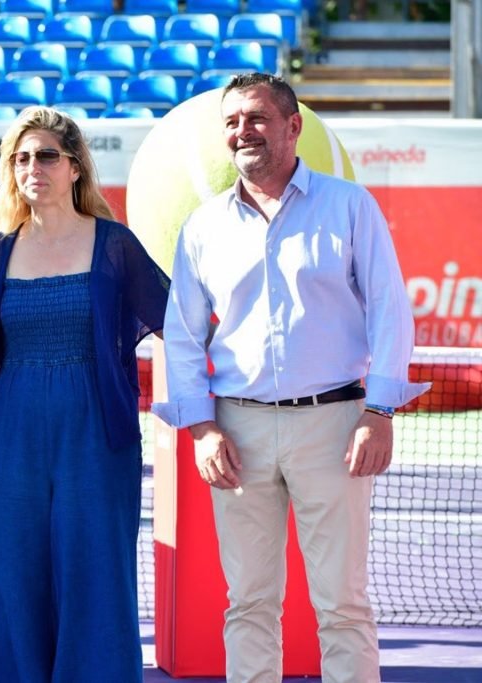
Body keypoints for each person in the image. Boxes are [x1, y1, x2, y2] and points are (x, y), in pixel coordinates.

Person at [152, 73, 429, 683]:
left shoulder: (350, 206)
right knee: (248, 603)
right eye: (232, 122)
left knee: (343, 605)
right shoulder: (202, 227)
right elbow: (183, 335)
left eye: (256, 118)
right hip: (237, 430)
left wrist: (378, 413)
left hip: (336, 428)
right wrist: (200, 428)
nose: (242, 132)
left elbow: (389, 309)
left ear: (292, 125)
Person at [0, 106, 170, 682]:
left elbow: (183, 328)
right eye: (20, 158)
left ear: (74, 168)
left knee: (94, 573)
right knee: (8, 577)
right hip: (5, 437)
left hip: (97, 437)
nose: (32, 167)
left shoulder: (115, 245)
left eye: (46, 155)